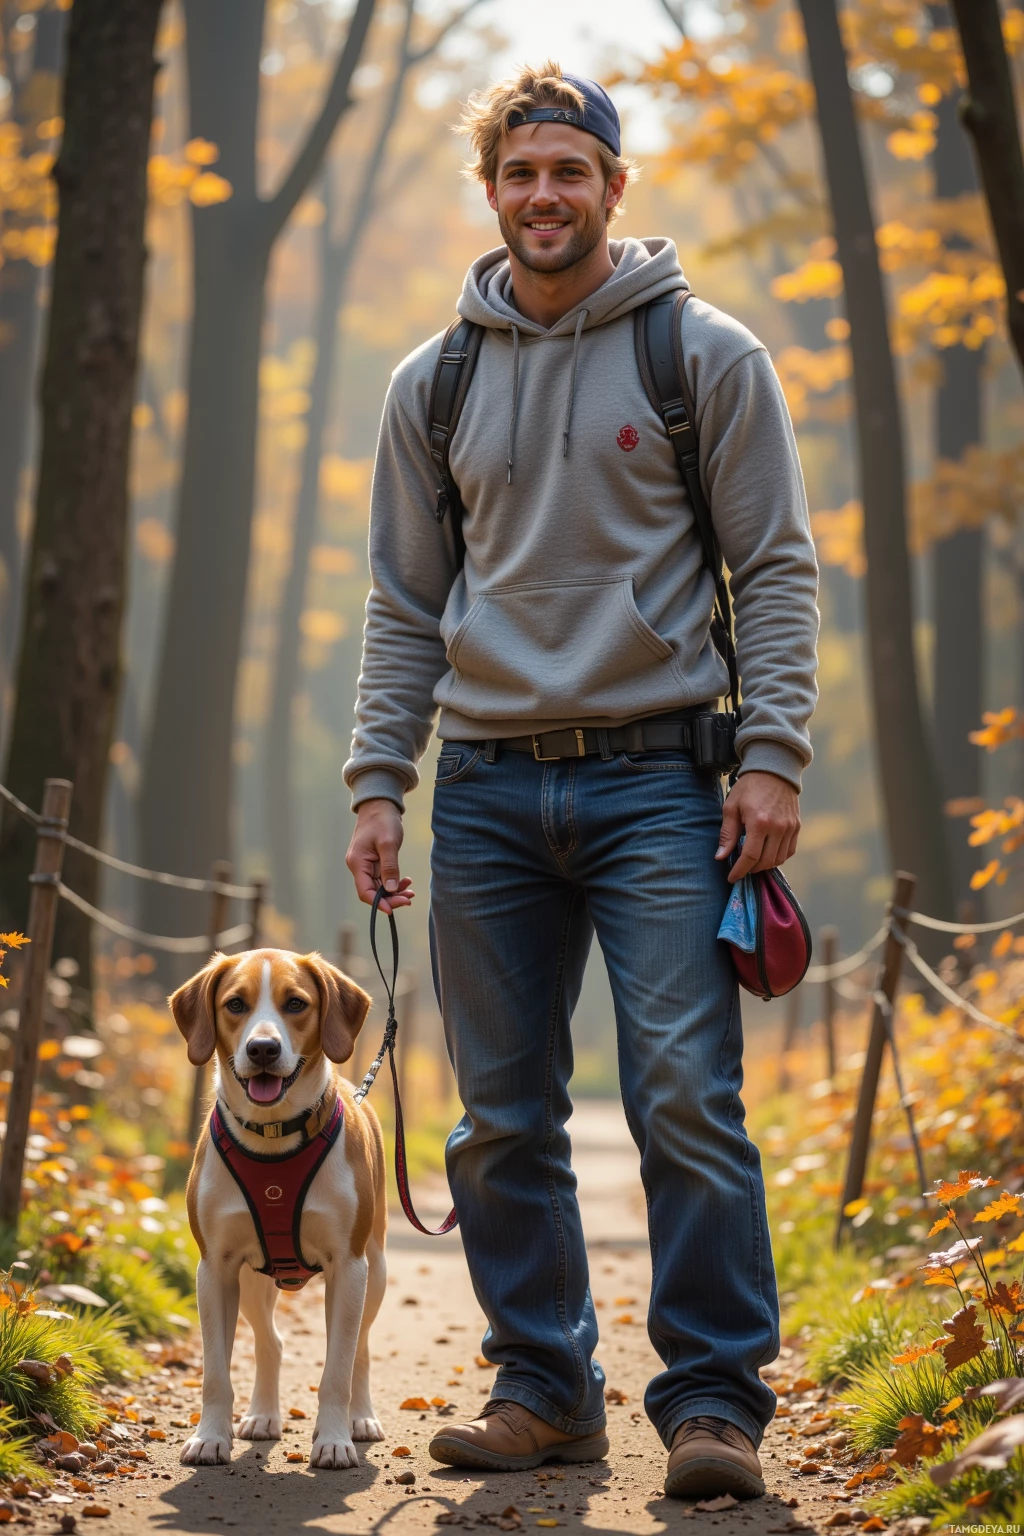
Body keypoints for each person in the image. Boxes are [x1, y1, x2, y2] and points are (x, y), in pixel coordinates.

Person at [344, 63, 818, 1500]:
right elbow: (400, 605)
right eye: (520, 172)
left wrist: (773, 757)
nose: (544, 194)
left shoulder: (704, 355)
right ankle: (543, 1387)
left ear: (616, 188)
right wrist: (382, 781)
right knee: (499, 1115)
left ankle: (714, 1405)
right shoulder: (434, 382)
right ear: (490, 193)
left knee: (684, 1093)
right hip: (484, 791)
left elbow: (777, 566)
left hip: (663, 784)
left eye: (571, 171)